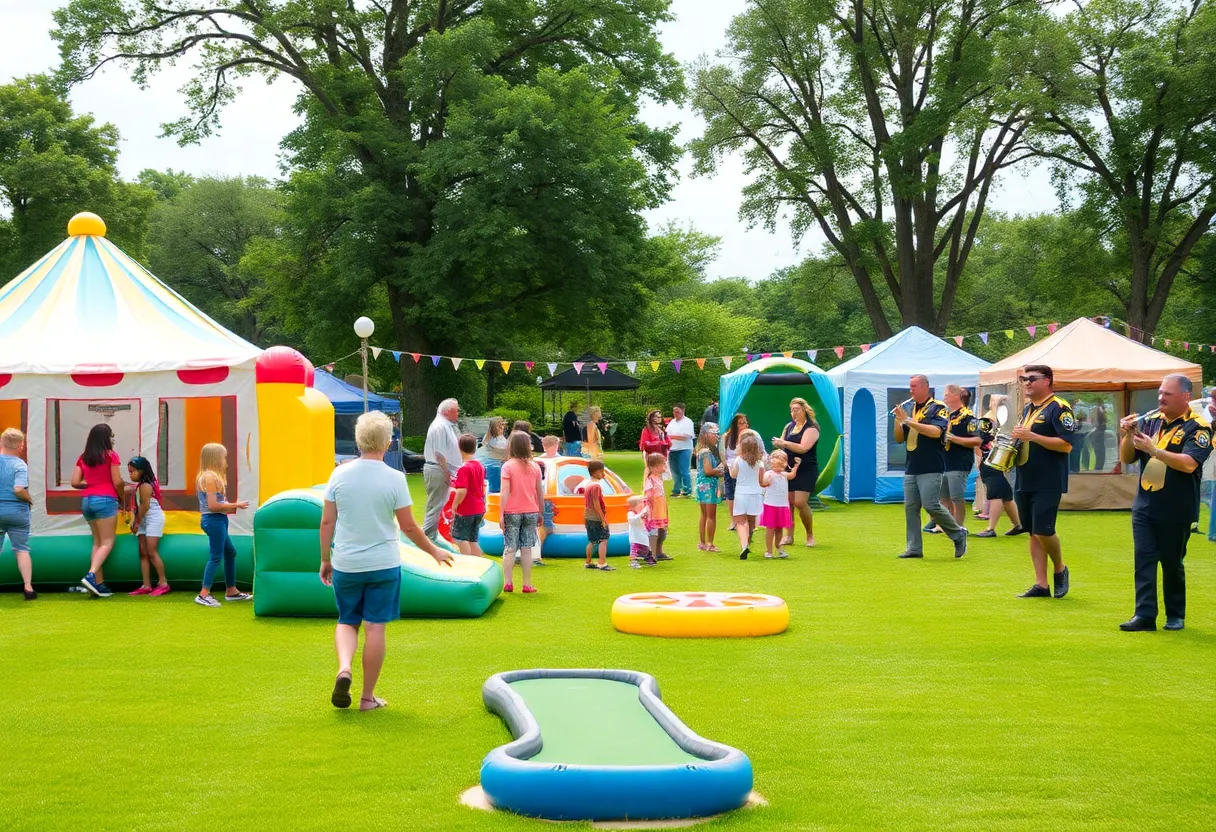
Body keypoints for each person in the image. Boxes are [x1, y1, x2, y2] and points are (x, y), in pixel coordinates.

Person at [320, 411, 453, 710]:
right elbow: (408, 526)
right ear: (389, 442)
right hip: (383, 562)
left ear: (358, 440)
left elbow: (327, 523)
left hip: (346, 562)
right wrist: (434, 551)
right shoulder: (395, 478)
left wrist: (325, 559)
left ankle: (344, 668)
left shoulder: (339, 474)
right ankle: (367, 698)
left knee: (347, 620)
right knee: (375, 627)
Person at [1116, 374, 1211, 631]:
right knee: (1144, 559)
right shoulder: (1150, 422)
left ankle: (1175, 614)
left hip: (1176, 506)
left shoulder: (1198, 427)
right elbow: (1127, 458)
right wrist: (1127, 434)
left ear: (1185, 396)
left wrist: (1155, 451)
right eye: (1160, 393)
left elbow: (1190, 464)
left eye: (1167, 394)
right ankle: (1144, 615)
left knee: (1171, 562)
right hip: (1146, 503)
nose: (1161, 398)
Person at [1012, 365, 1075, 598]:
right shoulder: (1028, 409)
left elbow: (1066, 445)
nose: (1027, 383)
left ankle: (1060, 569)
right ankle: (1041, 584)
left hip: (1048, 478)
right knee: (1032, 531)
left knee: (1044, 530)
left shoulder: (1058, 407)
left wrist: (1033, 436)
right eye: (1024, 379)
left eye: (1032, 379)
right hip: (1025, 476)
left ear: (1047, 381)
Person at [893, 375, 968, 559]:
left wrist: (908, 421)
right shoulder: (911, 408)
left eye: (915, 386)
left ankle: (958, 534)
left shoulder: (938, 407)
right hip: (912, 465)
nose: (911, 390)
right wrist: (898, 421)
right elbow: (899, 439)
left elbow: (936, 432)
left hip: (931, 465)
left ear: (926, 387)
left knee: (931, 504)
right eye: (910, 386)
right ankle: (914, 548)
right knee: (911, 508)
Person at [194, 443, 252, 607]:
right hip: (214, 520)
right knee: (216, 556)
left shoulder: (211, 476)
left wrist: (231, 505)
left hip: (217, 520)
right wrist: (235, 505)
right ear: (215, 459)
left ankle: (231, 590)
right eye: (223, 457)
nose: (225, 461)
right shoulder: (209, 478)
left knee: (230, 552)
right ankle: (204, 593)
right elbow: (213, 506)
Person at [74, 423, 127, 597]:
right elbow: (117, 481)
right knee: (107, 542)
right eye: (111, 435)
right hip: (105, 500)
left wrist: (91, 484)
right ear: (107, 438)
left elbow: (75, 482)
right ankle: (91, 576)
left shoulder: (83, 457)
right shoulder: (111, 455)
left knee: (97, 542)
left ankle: (99, 583)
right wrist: (121, 497)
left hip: (87, 501)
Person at [928, 385, 981, 533]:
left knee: (956, 496)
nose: (944, 397)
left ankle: (959, 526)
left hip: (959, 462)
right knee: (943, 496)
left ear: (956, 396)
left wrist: (953, 438)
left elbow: (978, 440)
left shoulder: (969, 417)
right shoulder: (946, 415)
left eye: (947, 394)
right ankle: (945, 524)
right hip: (944, 461)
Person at [772, 397, 819, 547]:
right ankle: (789, 536)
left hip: (806, 468)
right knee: (788, 503)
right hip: (788, 468)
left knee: (799, 501)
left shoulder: (812, 428)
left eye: (796, 409)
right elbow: (780, 445)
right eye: (791, 410)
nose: (793, 413)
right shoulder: (788, 427)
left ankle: (810, 535)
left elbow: (804, 447)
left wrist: (784, 443)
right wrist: (777, 452)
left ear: (804, 410)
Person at [500, 431, 544, 594]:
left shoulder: (508, 466)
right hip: (531, 510)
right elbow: (539, 491)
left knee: (510, 548)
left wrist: (500, 514)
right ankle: (526, 584)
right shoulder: (534, 466)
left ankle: (508, 582)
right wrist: (541, 510)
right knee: (526, 548)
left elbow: (505, 492)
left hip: (512, 511)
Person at [126, 456, 170, 596]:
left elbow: (145, 506)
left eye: (132, 471)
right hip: (144, 519)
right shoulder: (140, 485)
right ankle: (146, 585)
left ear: (141, 471)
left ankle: (163, 583)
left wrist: (136, 522)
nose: (130, 474)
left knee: (151, 552)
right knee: (143, 553)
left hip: (152, 519)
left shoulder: (146, 485)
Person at [974, 415, 1023, 538]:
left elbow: (977, 441)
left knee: (996, 495)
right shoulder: (990, 422)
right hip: (992, 462)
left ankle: (991, 528)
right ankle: (1018, 525)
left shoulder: (984, 422)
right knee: (1006, 495)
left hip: (990, 463)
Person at [0, 428, 35, 600]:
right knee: (21, 550)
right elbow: (19, 489)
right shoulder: (20, 464)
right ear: (21, 446)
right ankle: (28, 587)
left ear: (1, 442)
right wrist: (30, 500)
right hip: (17, 512)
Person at [423, 398, 461, 540]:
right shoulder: (440, 426)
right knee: (436, 506)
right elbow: (439, 454)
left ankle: (431, 536)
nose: (458, 414)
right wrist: (446, 472)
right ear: (448, 412)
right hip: (438, 469)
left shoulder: (445, 425)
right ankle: (426, 537)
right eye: (456, 411)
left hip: (440, 469)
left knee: (438, 504)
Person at [729, 432, 765, 560]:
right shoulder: (760, 463)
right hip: (756, 494)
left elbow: (733, 475)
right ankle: (748, 542)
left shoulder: (738, 460)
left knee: (740, 522)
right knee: (751, 521)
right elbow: (762, 479)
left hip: (741, 494)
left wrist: (729, 468)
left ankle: (744, 545)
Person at [760, 449, 801, 559]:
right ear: (771, 463)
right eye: (776, 463)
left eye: (781, 463)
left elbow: (792, 475)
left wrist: (796, 466)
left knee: (779, 528)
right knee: (770, 528)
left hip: (782, 506)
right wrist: (764, 483)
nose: (778, 467)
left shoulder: (784, 475)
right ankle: (768, 550)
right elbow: (763, 483)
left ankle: (778, 547)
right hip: (770, 505)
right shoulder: (769, 474)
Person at [451, 433, 486, 557]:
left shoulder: (464, 468)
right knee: (472, 539)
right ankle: (480, 563)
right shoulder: (479, 466)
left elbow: (462, 491)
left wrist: (454, 505)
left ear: (459, 448)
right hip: (478, 508)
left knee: (460, 538)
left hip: (466, 509)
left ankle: (467, 563)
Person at [695, 422, 724, 552]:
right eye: (714, 434)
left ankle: (702, 542)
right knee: (711, 515)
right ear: (707, 435)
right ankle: (710, 543)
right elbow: (708, 471)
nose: (717, 437)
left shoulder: (701, 450)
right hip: (709, 485)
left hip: (701, 484)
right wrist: (720, 471)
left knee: (704, 514)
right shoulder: (707, 451)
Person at [583, 460, 614, 571]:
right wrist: (602, 518)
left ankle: (588, 562)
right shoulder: (596, 486)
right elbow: (596, 502)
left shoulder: (588, 484)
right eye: (602, 472)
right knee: (603, 540)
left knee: (592, 540)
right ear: (596, 472)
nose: (603, 474)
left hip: (588, 517)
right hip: (596, 517)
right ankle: (602, 562)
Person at [643, 452, 672, 561]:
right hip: (654, 512)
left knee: (662, 532)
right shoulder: (650, 480)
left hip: (661, 511)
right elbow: (647, 496)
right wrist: (647, 510)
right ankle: (651, 554)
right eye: (663, 464)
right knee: (653, 533)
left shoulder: (658, 479)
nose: (665, 466)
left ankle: (659, 552)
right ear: (655, 467)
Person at [722, 413, 750, 527]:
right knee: (731, 494)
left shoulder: (750, 437)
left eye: (745, 422)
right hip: (730, 468)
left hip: (745, 469)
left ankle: (746, 520)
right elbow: (723, 453)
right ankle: (733, 520)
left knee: (744, 495)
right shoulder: (727, 437)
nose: (744, 425)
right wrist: (726, 465)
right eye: (741, 423)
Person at [666, 403, 696, 499]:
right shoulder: (672, 422)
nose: (676, 413)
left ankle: (687, 490)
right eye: (674, 411)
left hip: (684, 449)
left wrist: (673, 436)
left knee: (684, 470)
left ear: (683, 411)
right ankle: (676, 489)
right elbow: (667, 434)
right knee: (675, 471)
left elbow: (687, 436)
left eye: (678, 411)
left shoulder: (688, 422)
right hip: (673, 449)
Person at [479, 417, 508, 493]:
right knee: (494, 489)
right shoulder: (492, 439)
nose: (502, 426)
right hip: (494, 466)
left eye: (502, 424)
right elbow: (485, 443)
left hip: (497, 465)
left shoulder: (501, 437)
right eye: (499, 425)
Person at [626, 495, 654, 568]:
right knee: (636, 549)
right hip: (636, 536)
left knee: (646, 547)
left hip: (644, 534)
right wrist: (640, 516)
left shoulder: (643, 512)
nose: (643, 504)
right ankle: (634, 561)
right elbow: (632, 521)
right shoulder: (631, 513)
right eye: (641, 503)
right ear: (635, 505)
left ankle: (648, 559)